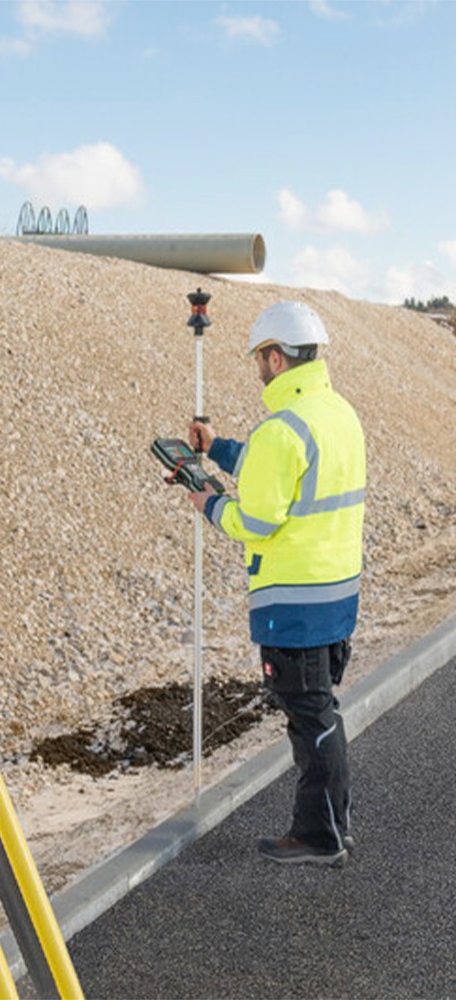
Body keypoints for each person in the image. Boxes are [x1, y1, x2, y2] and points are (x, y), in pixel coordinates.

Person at [188, 300, 366, 868]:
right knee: (321, 709)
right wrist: (216, 447)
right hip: (336, 593)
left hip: (293, 603)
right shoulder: (336, 414)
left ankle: (321, 836)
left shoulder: (280, 430)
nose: (258, 370)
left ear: (274, 357)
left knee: (310, 717)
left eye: (259, 360)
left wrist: (210, 504)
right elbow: (278, 469)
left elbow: (257, 519)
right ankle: (333, 823)